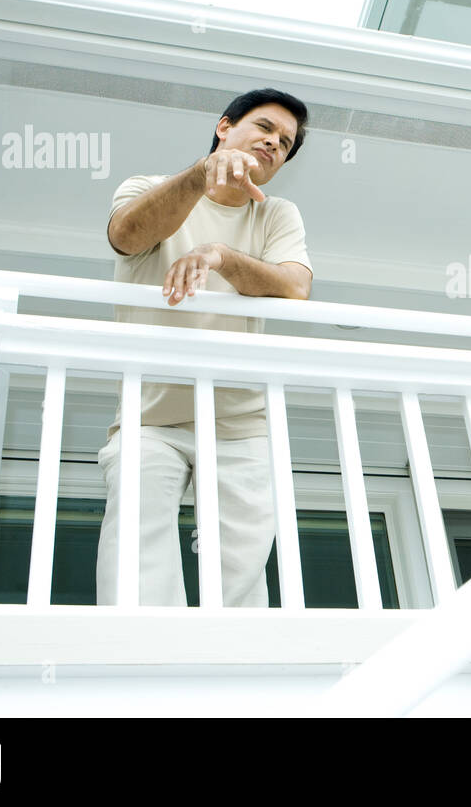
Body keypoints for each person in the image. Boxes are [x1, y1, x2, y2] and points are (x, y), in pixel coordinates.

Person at [95, 88, 312, 607]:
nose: (274, 144)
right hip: (151, 417)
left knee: (243, 561)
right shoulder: (149, 186)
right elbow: (126, 236)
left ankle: (239, 669)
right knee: (137, 539)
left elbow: (294, 287)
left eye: (285, 143)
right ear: (224, 127)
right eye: (264, 128)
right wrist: (201, 174)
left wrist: (217, 254)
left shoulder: (276, 214)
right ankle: (143, 662)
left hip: (239, 418)